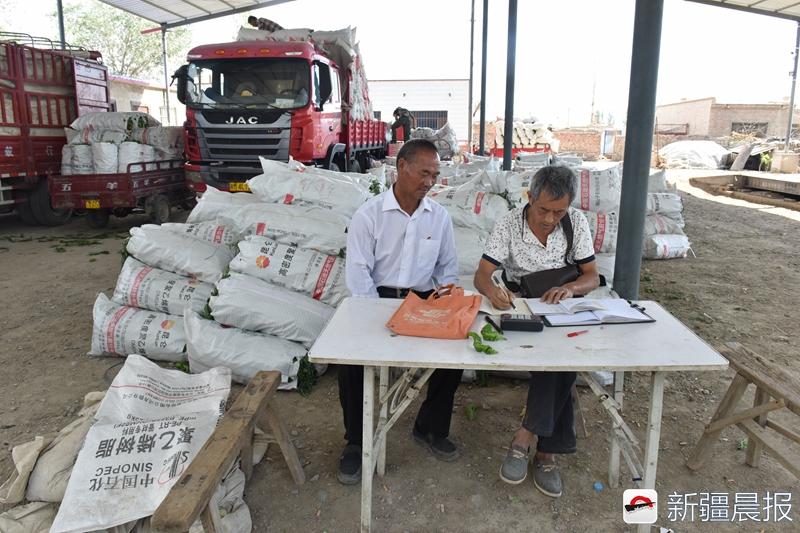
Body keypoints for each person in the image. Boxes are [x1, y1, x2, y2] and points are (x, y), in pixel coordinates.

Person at [338, 138, 462, 484]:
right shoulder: (369, 215)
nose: (429, 182)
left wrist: (443, 305)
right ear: (401, 167)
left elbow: (447, 270)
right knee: (350, 362)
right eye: (424, 173)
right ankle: (355, 442)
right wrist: (378, 315)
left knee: (453, 356)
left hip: (422, 302)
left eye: (435, 175)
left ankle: (430, 428)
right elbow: (359, 274)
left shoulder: (439, 218)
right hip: (375, 299)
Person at [473, 165, 600, 498]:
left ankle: (525, 437)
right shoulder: (510, 223)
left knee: (561, 359)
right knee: (556, 364)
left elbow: (593, 277)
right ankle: (548, 452)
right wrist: (494, 292)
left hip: (563, 305)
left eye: (559, 212)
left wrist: (572, 289)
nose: (549, 219)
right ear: (530, 197)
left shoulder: (576, 224)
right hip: (524, 304)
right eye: (543, 209)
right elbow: (482, 275)